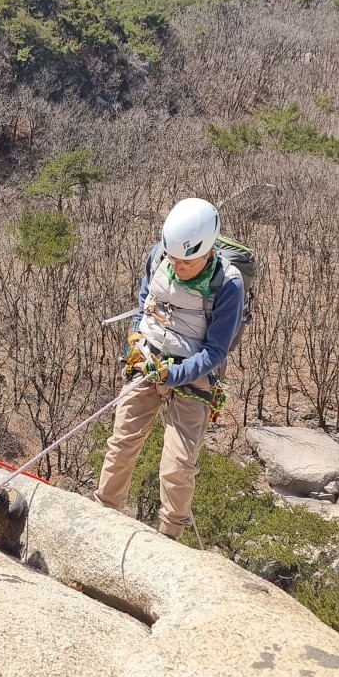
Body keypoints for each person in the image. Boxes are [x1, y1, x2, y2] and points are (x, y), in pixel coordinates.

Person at [96, 197, 244, 539]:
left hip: (194, 377)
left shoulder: (229, 285)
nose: (177, 267)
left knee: (177, 465)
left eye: (186, 263)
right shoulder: (159, 255)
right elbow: (146, 304)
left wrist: (172, 374)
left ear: (207, 253)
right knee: (122, 443)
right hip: (148, 358)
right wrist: (135, 338)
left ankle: (170, 537)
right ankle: (103, 514)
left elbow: (216, 351)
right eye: (173, 259)